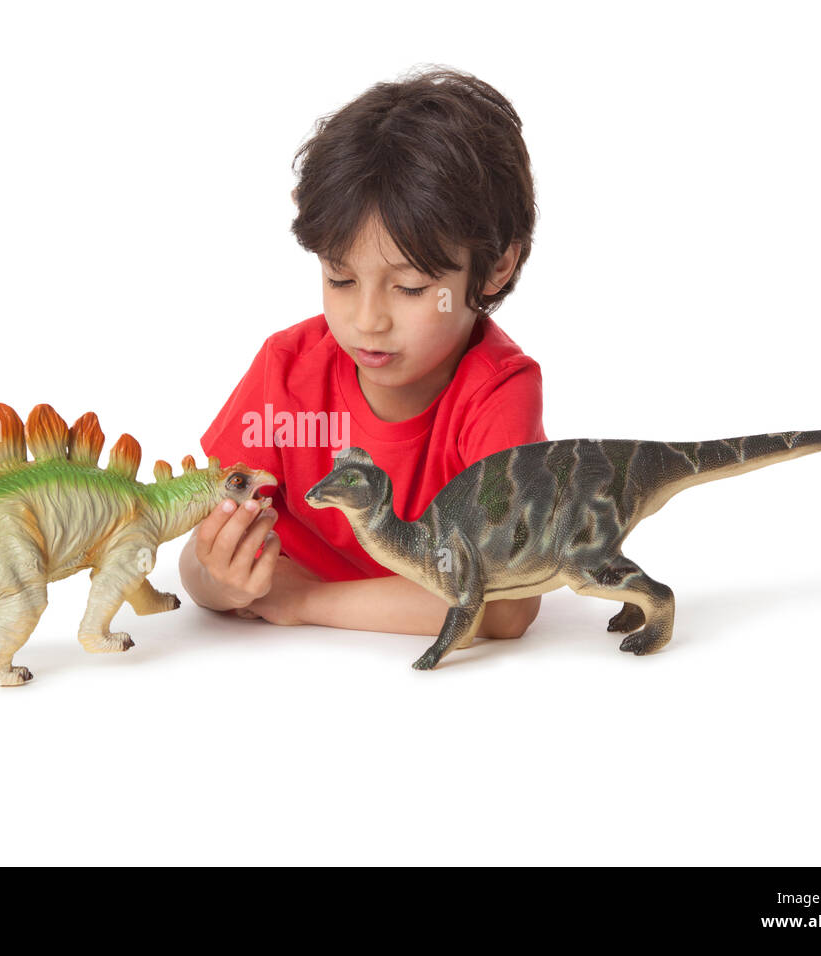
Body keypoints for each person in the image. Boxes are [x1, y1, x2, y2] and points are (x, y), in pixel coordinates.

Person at [179, 66, 547, 642]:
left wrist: (306, 599)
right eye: (340, 278)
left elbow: (506, 607)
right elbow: (197, 562)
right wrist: (219, 580)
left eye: (411, 288)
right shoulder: (287, 371)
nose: (367, 321)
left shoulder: (497, 392)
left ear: (496, 264)